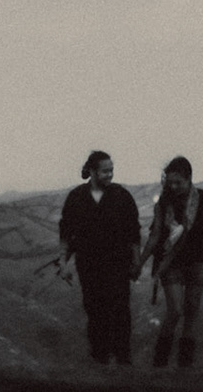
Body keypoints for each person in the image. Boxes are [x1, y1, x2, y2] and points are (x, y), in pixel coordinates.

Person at [57, 149, 142, 365]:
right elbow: (66, 233)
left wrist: (136, 262)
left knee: (121, 311)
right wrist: (63, 263)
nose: (110, 175)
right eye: (105, 171)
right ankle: (100, 358)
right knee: (95, 311)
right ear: (93, 172)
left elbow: (134, 233)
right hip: (89, 266)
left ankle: (123, 358)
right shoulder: (76, 198)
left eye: (112, 170)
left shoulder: (122, 196)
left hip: (118, 265)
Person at [139, 155, 203, 368]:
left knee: (192, 310)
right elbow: (155, 236)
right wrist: (142, 261)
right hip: (170, 263)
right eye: (170, 182)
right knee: (175, 311)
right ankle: (159, 363)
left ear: (189, 179)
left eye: (177, 182)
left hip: (198, 260)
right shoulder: (164, 202)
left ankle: (184, 365)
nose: (173, 186)